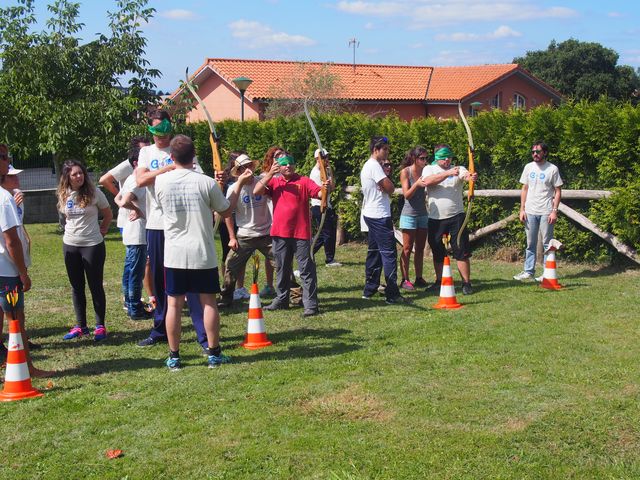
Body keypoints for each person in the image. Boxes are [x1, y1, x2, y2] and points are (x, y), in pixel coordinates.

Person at [155, 134, 252, 370]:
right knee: (208, 302)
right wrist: (236, 185)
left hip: (175, 254)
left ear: (171, 157)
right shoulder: (205, 182)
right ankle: (213, 353)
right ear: (194, 156)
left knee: (174, 305)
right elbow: (226, 210)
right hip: (201, 252)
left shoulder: (162, 182)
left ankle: (174, 356)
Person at [134, 109, 210, 351]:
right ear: (150, 130)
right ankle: (160, 329)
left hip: (182, 225)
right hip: (157, 224)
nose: (161, 136)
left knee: (193, 279)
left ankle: (203, 333)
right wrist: (168, 169)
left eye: (165, 130)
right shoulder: (146, 152)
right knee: (159, 279)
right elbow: (140, 180)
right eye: (156, 131)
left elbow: (198, 178)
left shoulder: (180, 148)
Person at [254, 150, 326, 317]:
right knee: (282, 268)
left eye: (290, 163)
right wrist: (270, 174)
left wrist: (327, 186)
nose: (288, 166)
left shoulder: (304, 181)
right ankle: (282, 299)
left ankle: (311, 305)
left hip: (301, 233)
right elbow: (257, 191)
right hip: (280, 233)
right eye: (284, 164)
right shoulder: (274, 182)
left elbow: (321, 193)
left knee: (306, 269)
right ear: (278, 166)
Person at [0, 145, 50, 377]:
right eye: (3, 158)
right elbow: (12, 241)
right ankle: (27, 368)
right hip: (7, 271)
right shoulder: (3, 199)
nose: (7, 160)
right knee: (16, 320)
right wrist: (23, 272)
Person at [57, 160, 113, 340]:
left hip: (92, 246)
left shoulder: (95, 192)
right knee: (76, 287)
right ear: (67, 177)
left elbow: (108, 214)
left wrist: (103, 230)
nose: (79, 176)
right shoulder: (63, 194)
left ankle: (100, 326)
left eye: (81, 173)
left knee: (95, 285)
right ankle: (81, 326)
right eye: (74, 174)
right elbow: (66, 216)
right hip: (70, 245)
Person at [218, 154, 276, 308]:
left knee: (282, 262)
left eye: (249, 165)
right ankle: (226, 298)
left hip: (266, 233)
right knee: (231, 265)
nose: (247, 169)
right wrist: (231, 236)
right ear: (238, 170)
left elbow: (273, 202)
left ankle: (294, 294)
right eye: (243, 167)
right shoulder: (233, 188)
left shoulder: (261, 182)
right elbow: (227, 212)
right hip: (244, 235)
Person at [422, 144, 478, 295]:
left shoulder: (458, 168)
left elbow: (465, 175)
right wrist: (447, 174)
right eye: (443, 157)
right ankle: (439, 281)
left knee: (461, 250)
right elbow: (427, 182)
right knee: (437, 249)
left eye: (449, 156)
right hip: (435, 217)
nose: (447, 159)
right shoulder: (429, 169)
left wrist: (470, 177)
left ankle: (466, 283)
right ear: (436, 157)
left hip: (456, 217)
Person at [360, 136, 406, 304]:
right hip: (379, 215)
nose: (387, 152)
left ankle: (370, 289)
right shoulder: (374, 166)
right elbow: (390, 188)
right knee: (389, 254)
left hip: (371, 214)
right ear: (375, 150)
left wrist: (386, 185)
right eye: (384, 149)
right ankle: (392, 294)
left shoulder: (370, 166)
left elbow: (387, 187)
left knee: (374, 252)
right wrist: (388, 184)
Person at [513, 141, 563, 281]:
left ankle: (547, 273)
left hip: (546, 211)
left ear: (545, 153)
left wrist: (554, 211)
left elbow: (558, 191)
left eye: (538, 151)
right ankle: (528, 271)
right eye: (533, 152)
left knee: (547, 243)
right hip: (530, 211)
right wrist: (522, 209)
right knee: (530, 243)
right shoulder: (528, 167)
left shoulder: (552, 169)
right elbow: (524, 189)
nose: (535, 154)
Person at [114, 143, 150, 320]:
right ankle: (135, 309)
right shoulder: (136, 179)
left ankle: (130, 303)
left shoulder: (130, 179)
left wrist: (132, 208)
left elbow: (116, 197)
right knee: (136, 273)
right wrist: (140, 212)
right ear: (137, 162)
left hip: (131, 232)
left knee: (129, 270)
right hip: (137, 234)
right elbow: (122, 200)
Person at [398, 146, 429, 290]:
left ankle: (419, 277)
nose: (425, 161)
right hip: (409, 214)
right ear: (414, 159)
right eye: (422, 158)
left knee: (421, 248)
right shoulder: (406, 172)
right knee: (407, 248)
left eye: (426, 158)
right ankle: (404, 279)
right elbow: (407, 195)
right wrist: (416, 184)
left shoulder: (426, 171)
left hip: (423, 214)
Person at [310, 148, 341, 267]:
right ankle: (328, 259)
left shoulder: (325, 171)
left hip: (326, 205)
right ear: (317, 159)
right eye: (324, 157)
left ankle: (318, 256)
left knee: (326, 233)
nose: (327, 159)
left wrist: (330, 172)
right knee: (325, 234)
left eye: (327, 157)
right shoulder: (316, 173)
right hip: (319, 206)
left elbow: (332, 188)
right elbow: (321, 192)